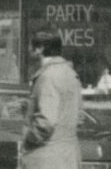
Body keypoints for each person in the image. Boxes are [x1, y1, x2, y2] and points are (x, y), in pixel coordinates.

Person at [21, 31, 81, 169]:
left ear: (40, 48)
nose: (29, 49)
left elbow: (46, 121)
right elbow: (79, 116)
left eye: (31, 45)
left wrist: (27, 138)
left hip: (46, 158)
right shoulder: (71, 74)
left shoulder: (48, 76)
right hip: (68, 157)